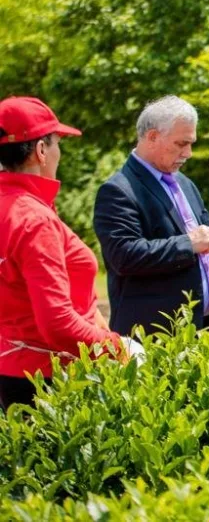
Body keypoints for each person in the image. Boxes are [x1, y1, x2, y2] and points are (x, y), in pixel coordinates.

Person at [0, 97, 123, 410]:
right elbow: (56, 323)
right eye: (56, 143)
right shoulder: (32, 219)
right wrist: (118, 348)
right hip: (44, 381)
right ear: (41, 151)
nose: (59, 153)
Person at [93, 96, 209, 337]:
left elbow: (205, 232)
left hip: (207, 325)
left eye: (191, 143)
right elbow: (123, 256)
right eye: (181, 144)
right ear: (152, 137)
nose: (189, 153)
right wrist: (189, 243)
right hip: (156, 334)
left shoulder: (184, 183)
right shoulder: (119, 190)